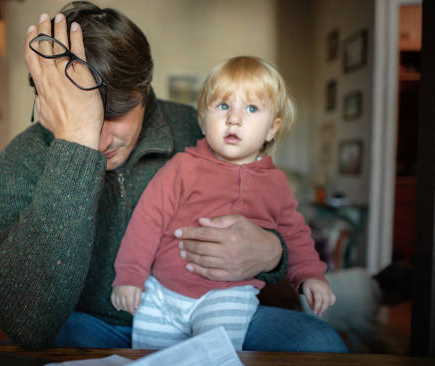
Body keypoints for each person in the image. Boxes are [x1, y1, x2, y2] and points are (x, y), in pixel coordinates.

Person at [0, 0, 348, 352]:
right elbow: (26, 324)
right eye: (84, 119)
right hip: (85, 326)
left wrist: (273, 252)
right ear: (46, 100)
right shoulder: (21, 160)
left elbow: (275, 215)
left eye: (112, 116)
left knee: (319, 343)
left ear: (143, 90)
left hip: (201, 311)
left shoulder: (197, 129)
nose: (100, 138)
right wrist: (74, 144)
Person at [111, 56, 336, 350]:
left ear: (272, 129)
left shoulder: (275, 183)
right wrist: (130, 276)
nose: (234, 118)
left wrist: (310, 275)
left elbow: (294, 234)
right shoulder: (182, 167)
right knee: (152, 364)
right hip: (162, 293)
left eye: (252, 108)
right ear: (204, 121)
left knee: (214, 359)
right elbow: (147, 221)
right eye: (223, 106)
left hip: (227, 295)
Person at [299, 263, 413, 353]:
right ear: (395, 296)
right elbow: (372, 338)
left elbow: (355, 331)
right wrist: (394, 352)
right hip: (305, 311)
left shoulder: (361, 273)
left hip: (303, 292)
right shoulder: (367, 305)